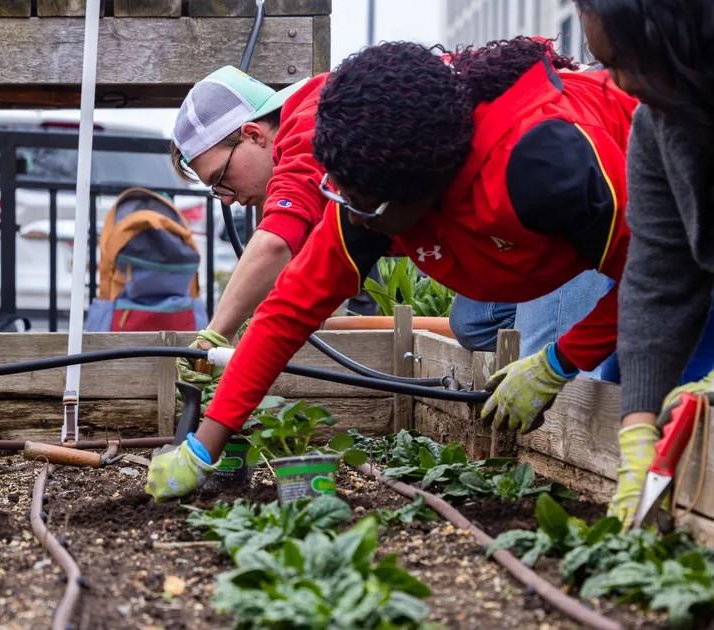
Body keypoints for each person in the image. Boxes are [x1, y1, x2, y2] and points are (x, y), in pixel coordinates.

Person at [146, 38, 637, 500]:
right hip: (526, 244)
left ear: (421, 192)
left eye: (362, 204)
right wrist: (201, 448)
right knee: (474, 324)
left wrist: (558, 361)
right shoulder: (366, 189)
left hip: (655, 225)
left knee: (579, 392)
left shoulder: (543, 168)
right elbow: (286, 313)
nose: (348, 213)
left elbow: (654, 275)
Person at [575, 0, 714, 527]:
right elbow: (658, 276)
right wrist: (637, 428)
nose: (619, 82)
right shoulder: (658, 125)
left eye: (625, 60)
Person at [168, 66, 328, 387]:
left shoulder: (309, 126)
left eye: (220, 178)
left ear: (253, 135)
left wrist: (214, 338)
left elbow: (275, 243)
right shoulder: (319, 162)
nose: (226, 201)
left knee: (462, 325)